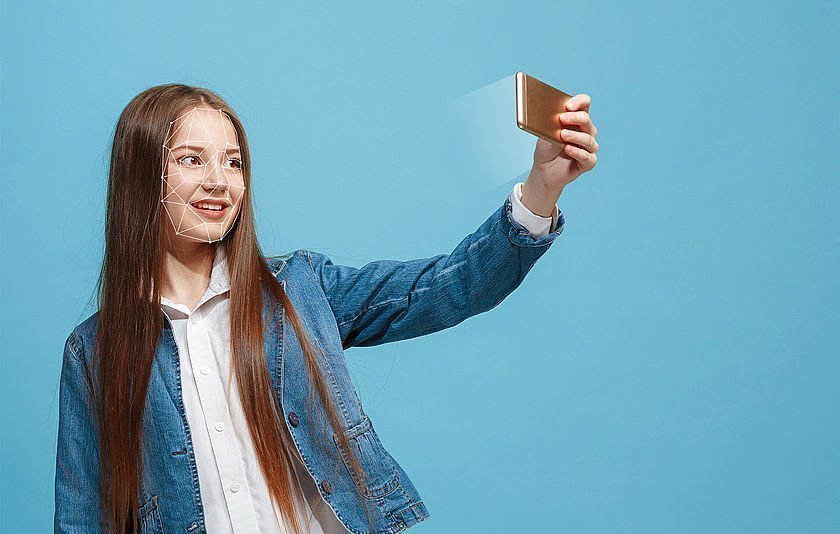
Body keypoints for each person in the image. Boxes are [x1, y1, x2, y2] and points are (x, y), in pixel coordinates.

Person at [54, 83, 598, 533]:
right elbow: (82, 516)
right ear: (142, 176)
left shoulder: (299, 289)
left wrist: (541, 190)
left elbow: (443, 289)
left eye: (234, 161)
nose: (219, 181)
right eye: (191, 160)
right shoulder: (94, 351)